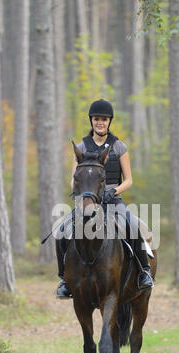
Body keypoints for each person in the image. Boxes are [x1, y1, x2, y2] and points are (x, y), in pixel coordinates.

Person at [56, 99, 154, 298]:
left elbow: (129, 180)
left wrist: (114, 191)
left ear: (109, 121)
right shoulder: (81, 147)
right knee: (61, 232)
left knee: (130, 224)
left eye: (104, 119)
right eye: (96, 119)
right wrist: (83, 196)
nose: (100, 122)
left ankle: (143, 272)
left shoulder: (119, 147)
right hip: (87, 201)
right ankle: (65, 280)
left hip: (112, 200)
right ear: (91, 120)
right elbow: (73, 180)